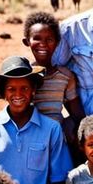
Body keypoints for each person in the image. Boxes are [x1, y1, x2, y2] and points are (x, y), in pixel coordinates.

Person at [23, 11, 81, 150]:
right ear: (27, 42)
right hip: (28, 138)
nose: (43, 44)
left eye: (49, 39)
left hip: (56, 140)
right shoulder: (23, 75)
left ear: (57, 42)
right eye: (37, 38)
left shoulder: (65, 76)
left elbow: (77, 113)